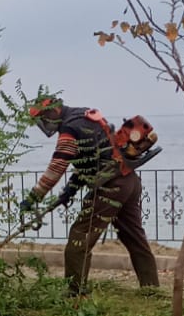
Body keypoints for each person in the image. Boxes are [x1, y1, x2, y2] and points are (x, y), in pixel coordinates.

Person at [22, 92, 160, 294]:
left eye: (44, 119)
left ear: (54, 111)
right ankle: (151, 288)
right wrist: (70, 190)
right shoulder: (84, 116)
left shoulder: (69, 128)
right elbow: (91, 158)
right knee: (134, 237)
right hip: (128, 181)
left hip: (110, 186)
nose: (45, 124)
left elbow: (58, 165)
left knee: (79, 237)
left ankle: (74, 292)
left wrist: (34, 197)